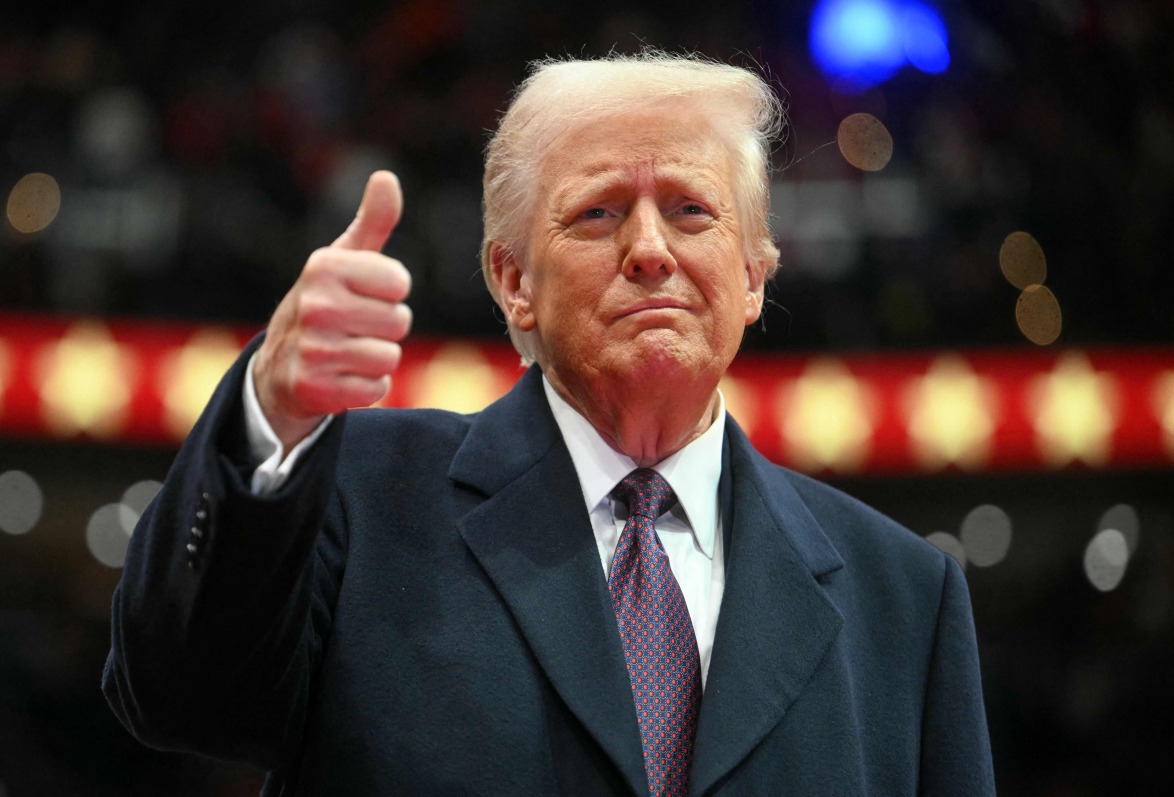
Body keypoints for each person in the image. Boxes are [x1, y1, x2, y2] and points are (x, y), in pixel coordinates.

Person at [103, 52, 995, 796]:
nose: (650, 248)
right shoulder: (356, 498)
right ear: (513, 282)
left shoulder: (906, 599)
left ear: (755, 275)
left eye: (691, 209)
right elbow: (179, 698)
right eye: (598, 213)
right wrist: (273, 408)